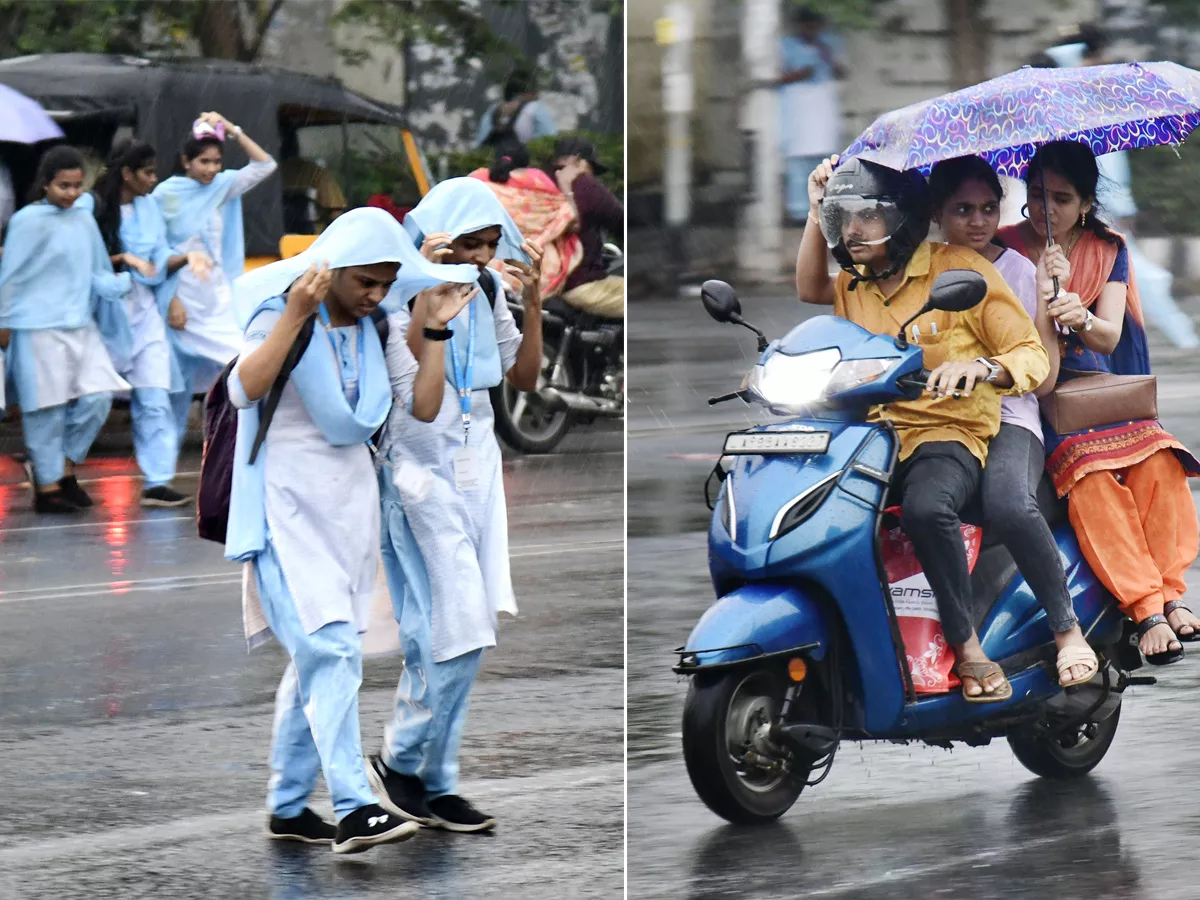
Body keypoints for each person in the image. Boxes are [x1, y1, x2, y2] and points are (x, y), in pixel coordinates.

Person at [225, 206, 480, 853]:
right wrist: (293, 318)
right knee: (330, 653)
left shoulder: (379, 327)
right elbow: (241, 388)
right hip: (285, 514)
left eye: (386, 282)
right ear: (331, 269)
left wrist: (434, 330)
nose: (375, 294)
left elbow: (418, 407)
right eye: (365, 281)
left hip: (349, 517)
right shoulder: (280, 313)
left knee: (319, 660)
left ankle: (287, 807)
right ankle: (355, 806)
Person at [796, 154, 1051, 701]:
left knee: (926, 509)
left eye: (869, 215)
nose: (854, 229)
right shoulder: (855, 282)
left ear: (907, 219)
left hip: (948, 427)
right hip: (872, 433)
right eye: (846, 217)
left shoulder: (959, 270)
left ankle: (968, 648)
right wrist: (817, 208)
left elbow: (1030, 352)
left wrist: (981, 367)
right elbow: (808, 291)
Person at [365, 177, 545, 832]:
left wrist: (536, 303)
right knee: (452, 630)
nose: (478, 258)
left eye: (489, 245)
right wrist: (431, 311)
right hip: (418, 476)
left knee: (464, 631)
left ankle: (435, 782)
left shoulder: (490, 289)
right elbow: (424, 403)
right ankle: (398, 759)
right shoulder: (395, 299)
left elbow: (522, 379)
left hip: (478, 470)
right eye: (468, 244)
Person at [996, 140, 1200, 665]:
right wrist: (1041, 299)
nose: (1046, 208)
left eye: (1061, 198)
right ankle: (1147, 608)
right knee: (1088, 477)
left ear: (1085, 203)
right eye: (1037, 194)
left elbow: (1108, 338)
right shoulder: (1004, 246)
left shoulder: (1108, 247)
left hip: (1099, 388)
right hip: (1040, 390)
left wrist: (1080, 316)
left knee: (1159, 461)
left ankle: (1173, 592)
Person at [929, 155, 1097, 686]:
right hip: (935, 420)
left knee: (1006, 502)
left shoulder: (1019, 271)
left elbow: (1042, 379)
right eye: (962, 209)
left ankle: (1067, 629)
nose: (978, 221)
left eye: (987, 208)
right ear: (937, 213)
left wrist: (1049, 299)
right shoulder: (917, 268)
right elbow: (821, 290)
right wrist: (821, 214)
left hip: (1008, 415)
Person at [0, 146, 132, 513]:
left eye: (77, 186)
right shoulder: (27, 221)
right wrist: (4, 323)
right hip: (34, 326)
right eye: (63, 186)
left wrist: (120, 284)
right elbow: (9, 277)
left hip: (79, 323)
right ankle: (47, 488)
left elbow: (98, 269)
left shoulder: (83, 219)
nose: (72, 194)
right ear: (45, 184)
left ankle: (62, 467)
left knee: (99, 397)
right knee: (46, 409)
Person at [93, 139, 214, 507]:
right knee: (89, 402)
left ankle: (157, 480)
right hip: (104, 316)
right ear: (126, 174)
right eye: (147, 172)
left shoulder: (149, 208)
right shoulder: (93, 208)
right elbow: (85, 258)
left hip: (145, 315)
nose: (154, 179)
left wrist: (185, 258)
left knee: (155, 398)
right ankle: (55, 470)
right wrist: (126, 259)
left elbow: (159, 254)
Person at [153, 111, 278, 445]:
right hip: (181, 298)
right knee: (173, 383)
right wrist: (172, 300)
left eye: (216, 162)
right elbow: (158, 249)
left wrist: (232, 127)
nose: (211, 169)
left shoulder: (223, 186)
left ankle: (245, 439)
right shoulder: (165, 195)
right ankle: (162, 465)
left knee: (242, 360)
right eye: (203, 162)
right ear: (185, 161)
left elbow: (265, 165)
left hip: (218, 295)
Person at [470, 144, 583, 300]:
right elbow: (573, 222)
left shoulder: (477, 180)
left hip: (486, 264)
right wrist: (566, 188)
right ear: (526, 163)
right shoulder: (538, 180)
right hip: (531, 267)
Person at [776, 5, 847, 224]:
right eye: (807, 26)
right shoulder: (785, 46)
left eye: (815, 26)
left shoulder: (829, 43)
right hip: (796, 105)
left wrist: (826, 53)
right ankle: (799, 212)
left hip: (822, 104)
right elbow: (773, 77)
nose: (811, 30)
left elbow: (842, 71)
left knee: (825, 158)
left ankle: (828, 207)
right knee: (798, 162)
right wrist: (798, 75)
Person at [553, 137, 623, 319]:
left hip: (545, 282)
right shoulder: (584, 184)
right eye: (591, 168)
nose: (591, 175)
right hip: (579, 284)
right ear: (578, 160)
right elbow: (620, 221)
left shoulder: (540, 182)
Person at [279, 130, 347, 234]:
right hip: (313, 241)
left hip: (278, 241)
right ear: (296, 144)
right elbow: (336, 214)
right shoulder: (317, 173)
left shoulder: (268, 175)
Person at [475, 68, 556, 153]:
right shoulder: (536, 108)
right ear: (532, 90)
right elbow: (550, 141)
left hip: (494, 162)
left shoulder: (493, 110)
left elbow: (481, 141)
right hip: (524, 162)